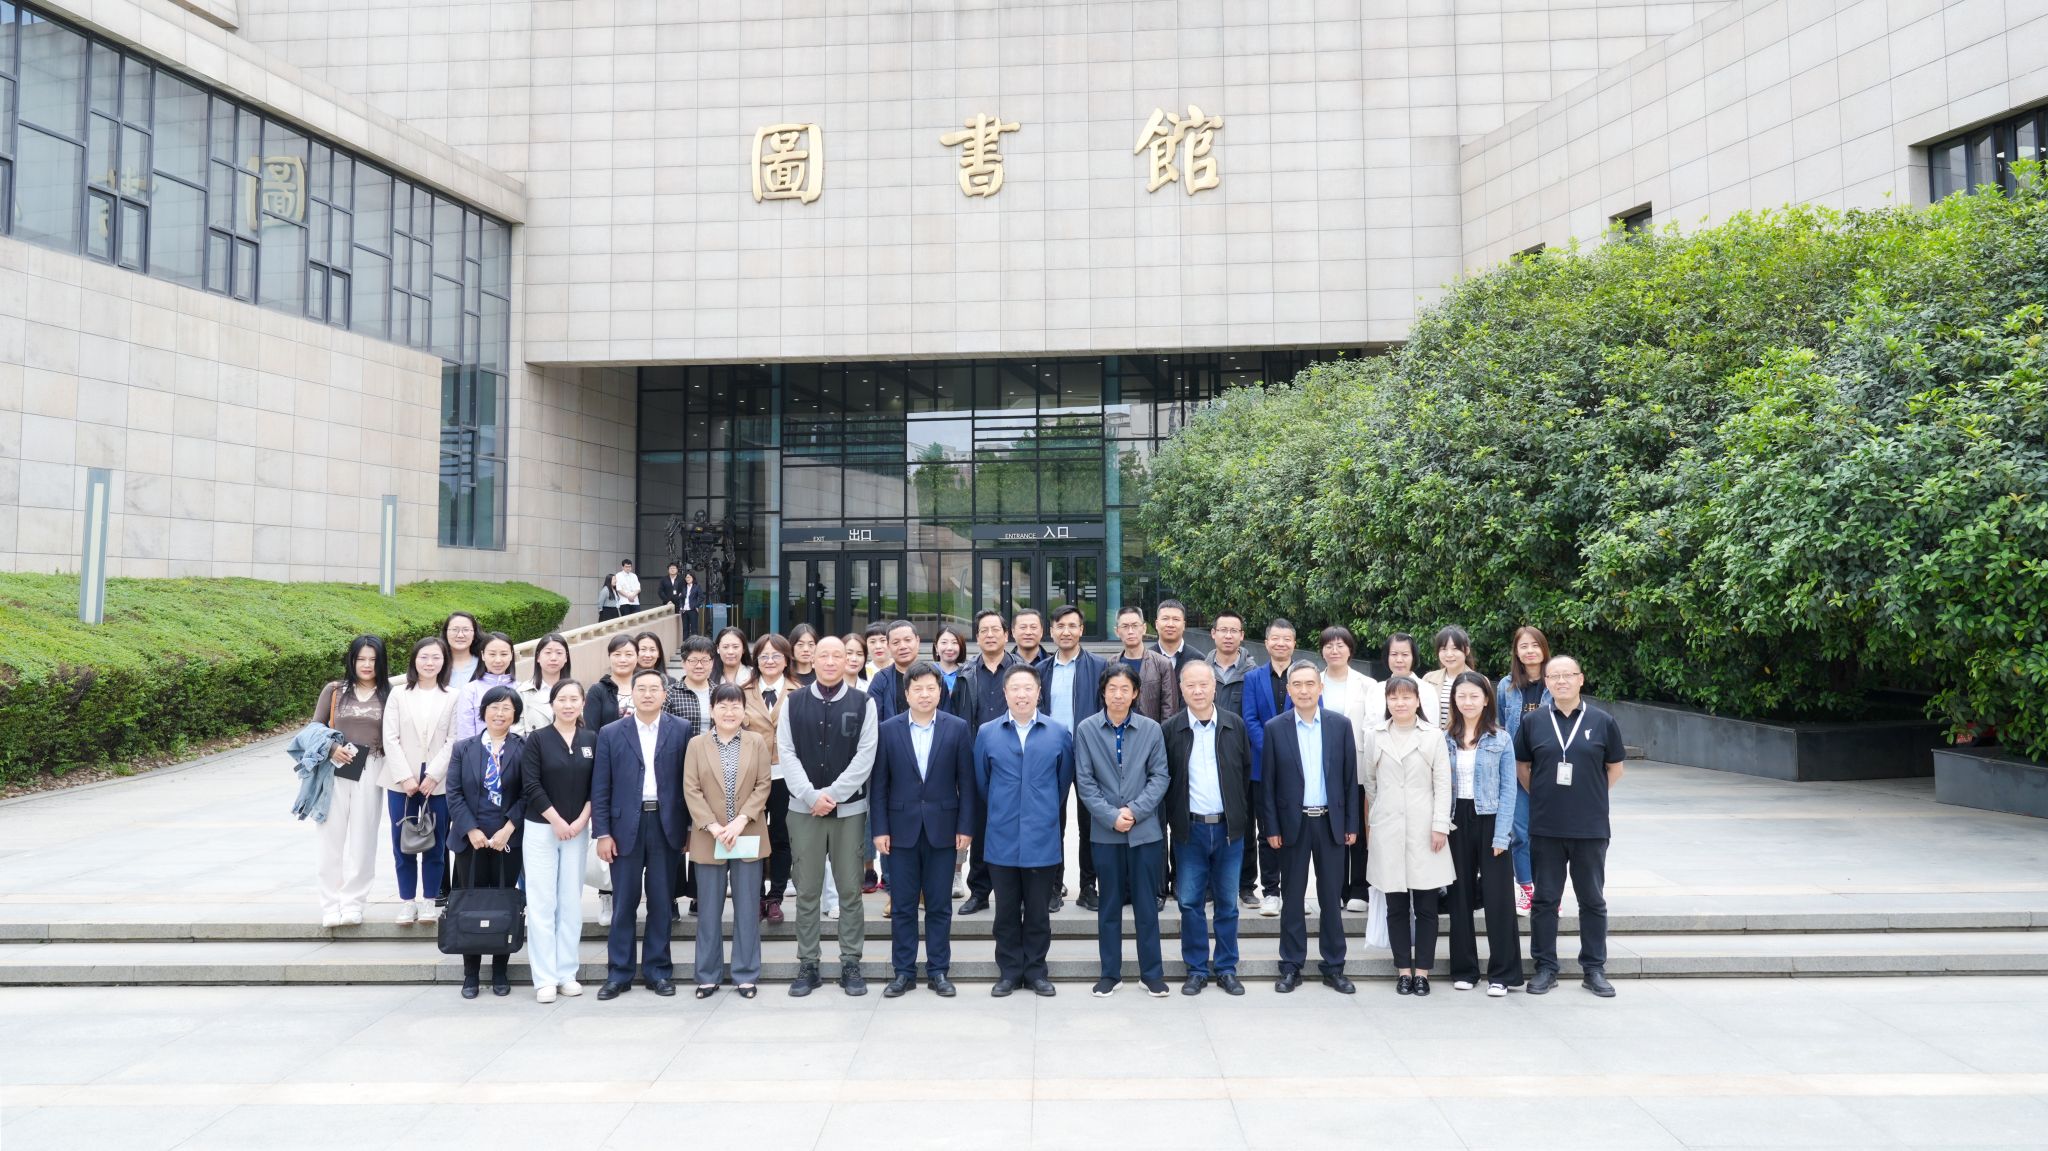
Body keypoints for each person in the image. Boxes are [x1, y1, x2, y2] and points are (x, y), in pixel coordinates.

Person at [1516, 654, 1626, 998]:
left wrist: (1588, 797)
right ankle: (1545, 967)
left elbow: (1615, 769)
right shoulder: (1533, 722)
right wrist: (1545, 797)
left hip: (1590, 828)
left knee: (1592, 899)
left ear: (1581, 679)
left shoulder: (1602, 721)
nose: (1561, 681)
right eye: (1554, 676)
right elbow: (1523, 767)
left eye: (1568, 675)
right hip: (1546, 826)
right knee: (1545, 900)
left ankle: (1593, 968)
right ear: (1546, 683)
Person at [779, 636, 880, 997]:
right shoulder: (793, 702)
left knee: (850, 889)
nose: (831, 661)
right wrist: (811, 795)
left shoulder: (863, 702)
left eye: (839, 655)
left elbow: (866, 756)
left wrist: (833, 795)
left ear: (849, 659)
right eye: (825, 655)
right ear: (812, 659)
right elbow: (786, 752)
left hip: (848, 812)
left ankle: (850, 961)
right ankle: (809, 963)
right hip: (803, 810)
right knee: (807, 890)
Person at [870, 662, 976, 998]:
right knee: (902, 905)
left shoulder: (956, 728)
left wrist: (965, 827)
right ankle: (903, 972)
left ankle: (938, 970)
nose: (925, 694)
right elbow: (879, 786)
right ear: (907, 693)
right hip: (900, 832)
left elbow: (967, 784)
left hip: (944, 830)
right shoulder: (888, 730)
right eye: (918, 689)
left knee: (939, 905)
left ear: (940, 691)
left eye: (931, 688)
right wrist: (879, 829)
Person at [1261, 661, 1360, 994]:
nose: (1304, 690)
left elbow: (1349, 779)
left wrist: (1351, 823)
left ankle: (1334, 966)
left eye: (1309, 684)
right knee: (1291, 898)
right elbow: (1268, 784)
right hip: (1294, 823)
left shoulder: (1339, 725)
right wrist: (1272, 827)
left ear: (1320, 688)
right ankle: (1291, 965)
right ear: (1289, 690)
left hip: (1331, 823)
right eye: (1297, 685)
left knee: (1331, 898)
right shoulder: (1275, 728)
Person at [592, 668, 691, 999]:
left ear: (664, 694)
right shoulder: (610, 732)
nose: (648, 694)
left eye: (654, 689)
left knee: (662, 902)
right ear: (632, 694)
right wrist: (602, 833)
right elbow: (601, 786)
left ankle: (658, 971)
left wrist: (688, 828)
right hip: (623, 829)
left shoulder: (681, 729)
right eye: (642, 689)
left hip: (666, 825)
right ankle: (619, 973)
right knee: (624, 903)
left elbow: (688, 782)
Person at [976, 663, 1073, 998]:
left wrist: (1039, 809)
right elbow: (982, 783)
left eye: (1027, 688)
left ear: (1038, 692)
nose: (1021, 694)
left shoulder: (1058, 733)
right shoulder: (987, 733)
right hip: (1001, 837)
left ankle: (1035, 971)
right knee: (1005, 911)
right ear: (1005, 693)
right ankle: (1008, 972)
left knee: (1037, 912)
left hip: (1041, 837)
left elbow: (1062, 784)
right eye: (1014, 688)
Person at [1076, 665, 1171, 998]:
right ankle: (1110, 974)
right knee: (1109, 905)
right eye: (1112, 689)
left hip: (1145, 832)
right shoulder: (1087, 729)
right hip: (1105, 833)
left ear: (1135, 693)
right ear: (1103, 692)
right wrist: (1111, 816)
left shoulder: (1151, 729)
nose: (1118, 695)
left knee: (1147, 905)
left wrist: (1134, 810)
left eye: (1125, 689)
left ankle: (1152, 973)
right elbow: (1085, 782)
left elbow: (1160, 776)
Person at [1163, 660, 1252, 996]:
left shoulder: (1233, 725)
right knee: (1189, 902)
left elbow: (1244, 775)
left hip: (1228, 830)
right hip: (1190, 831)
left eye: (1204, 684)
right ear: (1181, 689)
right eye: (1190, 685)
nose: (1198, 691)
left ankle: (1226, 968)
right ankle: (1197, 969)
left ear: (1215, 686)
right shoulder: (1170, 730)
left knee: (1228, 903)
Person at [1362, 675, 1454, 996]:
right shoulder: (1375, 736)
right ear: (1387, 702)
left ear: (1418, 701)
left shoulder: (1433, 736)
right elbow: (1370, 783)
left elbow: (1443, 784)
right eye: (1394, 697)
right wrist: (1379, 818)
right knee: (1396, 906)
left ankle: (1423, 972)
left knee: (1427, 907)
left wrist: (1440, 825)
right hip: (1388, 830)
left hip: (1426, 830)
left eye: (1406, 697)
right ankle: (1403, 970)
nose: (1400, 703)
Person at [685, 682, 773, 999]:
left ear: (744, 710)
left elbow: (763, 785)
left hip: (746, 834)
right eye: (722, 705)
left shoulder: (756, 742)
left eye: (735, 705)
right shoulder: (696, 744)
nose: (729, 711)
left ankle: (745, 975)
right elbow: (691, 788)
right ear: (712, 710)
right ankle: (707, 976)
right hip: (709, 837)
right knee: (708, 911)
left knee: (747, 910)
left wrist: (739, 822)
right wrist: (713, 826)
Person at [1444, 671, 1525, 996]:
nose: (1468, 702)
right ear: (1454, 700)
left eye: (1474, 696)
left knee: (1498, 898)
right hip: (1455, 820)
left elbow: (1509, 790)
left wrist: (1502, 835)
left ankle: (1502, 974)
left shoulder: (1500, 738)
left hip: (1491, 819)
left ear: (1486, 699)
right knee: (1459, 896)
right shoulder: (1444, 738)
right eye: (1461, 696)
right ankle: (1465, 969)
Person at [446, 684, 527, 998]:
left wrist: (508, 828)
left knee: (503, 903)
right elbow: (454, 793)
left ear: (515, 714)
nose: (500, 713)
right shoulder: (463, 748)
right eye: (494, 707)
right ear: (483, 711)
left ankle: (500, 970)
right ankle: (470, 974)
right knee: (470, 903)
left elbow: (527, 792)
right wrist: (471, 830)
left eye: (507, 708)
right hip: (472, 842)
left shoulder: (523, 748)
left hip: (507, 840)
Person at [520, 678, 596, 1003]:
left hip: (577, 830)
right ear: (552, 704)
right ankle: (545, 978)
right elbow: (531, 785)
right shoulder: (536, 739)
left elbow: (597, 786)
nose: (568, 705)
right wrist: (557, 820)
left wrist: (579, 821)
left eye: (573, 699)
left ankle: (567, 972)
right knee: (541, 902)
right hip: (541, 828)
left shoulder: (591, 739)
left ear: (582, 704)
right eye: (561, 699)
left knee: (570, 902)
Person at [312, 636, 389, 928]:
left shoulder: (389, 695)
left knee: (363, 839)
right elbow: (315, 728)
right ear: (351, 660)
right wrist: (332, 748)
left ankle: (353, 903)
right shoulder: (335, 690)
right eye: (361, 659)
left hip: (372, 767)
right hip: (335, 768)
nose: (367, 665)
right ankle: (330, 905)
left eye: (373, 659)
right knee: (329, 840)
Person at [382, 637, 456, 925]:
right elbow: (390, 737)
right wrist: (405, 777)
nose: (429, 663)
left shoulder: (453, 696)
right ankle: (407, 902)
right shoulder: (399, 694)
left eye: (436, 657)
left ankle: (429, 901)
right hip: (401, 783)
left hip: (438, 783)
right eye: (424, 657)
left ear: (444, 662)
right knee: (402, 843)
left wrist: (433, 775)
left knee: (435, 844)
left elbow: (454, 739)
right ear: (414, 660)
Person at [949, 610, 1018, 915]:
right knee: (979, 827)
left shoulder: (1022, 671)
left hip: (1013, 761)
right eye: (984, 631)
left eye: (995, 629)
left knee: (1013, 827)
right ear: (977, 637)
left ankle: (1013, 893)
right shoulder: (965, 675)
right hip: (975, 760)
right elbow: (954, 718)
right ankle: (979, 892)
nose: (990, 635)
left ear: (1006, 634)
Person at [1039, 604, 1107, 912]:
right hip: (1051, 755)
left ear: (1081, 630)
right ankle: (1054, 886)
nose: (1066, 631)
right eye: (1060, 626)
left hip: (1089, 754)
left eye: (1072, 626)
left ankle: (1088, 886)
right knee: (1052, 821)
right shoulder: (1041, 670)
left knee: (1090, 823)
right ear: (1051, 631)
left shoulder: (1099, 666)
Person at [1240, 618, 1298, 918]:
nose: (1280, 643)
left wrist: (1288, 753)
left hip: (1298, 768)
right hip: (1261, 768)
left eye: (1286, 639)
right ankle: (1271, 892)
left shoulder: (1305, 676)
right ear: (1266, 643)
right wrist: (1273, 749)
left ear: (1294, 643)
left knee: (1296, 832)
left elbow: (1313, 714)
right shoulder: (1253, 678)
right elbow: (1249, 719)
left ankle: (1294, 892)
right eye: (1275, 638)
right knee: (1266, 832)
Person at [1317, 626, 1375, 914]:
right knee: (1332, 828)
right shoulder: (1313, 681)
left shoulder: (1367, 685)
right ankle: (1337, 887)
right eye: (1329, 645)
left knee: (1359, 828)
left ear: (1350, 650)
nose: (1335, 650)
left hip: (1359, 765)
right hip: (1322, 767)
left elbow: (1373, 726)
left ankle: (1360, 888)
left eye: (1341, 645)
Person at [584, 633, 640, 928]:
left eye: (628, 653)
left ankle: (627, 896)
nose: (623, 659)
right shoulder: (598, 691)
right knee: (609, 836)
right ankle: (606, 893)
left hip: (642, 772)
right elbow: (591, 731)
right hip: (610, 770)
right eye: (617, 654)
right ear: (610, 657)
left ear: (637, 657)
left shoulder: (647, 684)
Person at [1497, 626, 1552, 915]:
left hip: (1550, 771)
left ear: (1544, 649)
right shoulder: (1506, 686)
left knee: (1550, 835)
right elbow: (1499, 726)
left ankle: (1549, 892)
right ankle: (1527, 889)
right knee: (1520, 833)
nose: (1530, 651)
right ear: (1516, 652)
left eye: (1535, 645)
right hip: (1515, 769)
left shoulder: (1556, 682)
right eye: (1523, 646)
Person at [745, 634, 795, 923]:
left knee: (781, 836)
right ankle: (755, 896)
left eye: (776, 655)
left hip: (786, 776)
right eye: (764, 656)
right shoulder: (742, 692)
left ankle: (775, 896)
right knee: (752, 835)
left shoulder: (800, 692)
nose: (770, 661)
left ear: (786, 660)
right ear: (756, 661)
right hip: (750, 777)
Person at [1113, 605, 1181, 723]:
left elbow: (1169, 710)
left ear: (1144, 628)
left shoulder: (1162, 664)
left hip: (1151, 731)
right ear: (1117, 631)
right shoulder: (1111, 664)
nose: (1130, 631)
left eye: (1135, 626)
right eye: (1125, 626)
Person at [452, 632, 518, 744]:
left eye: (503, 654)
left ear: (511, 655)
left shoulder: (520, 688)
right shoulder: (470, 690)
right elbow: (465, 733)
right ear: (483, 655)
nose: (498, 660)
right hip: (479, 752)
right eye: (492, 654)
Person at [866, 619, 924, 722]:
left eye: (907, 640)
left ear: (917, 641)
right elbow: (873, 721)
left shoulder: (934, 676)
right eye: (896, 642)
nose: (902, 646)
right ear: (888, 646)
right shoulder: (880, 680)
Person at [517, 634, 574, 737]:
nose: (553, 658)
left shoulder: (575, 691)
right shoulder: (523, 692)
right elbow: (517, 734)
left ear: (566, 658)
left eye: (559, 653)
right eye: (548, 652)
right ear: (538, 657)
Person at [1421, 626, 1476, 732]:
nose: (1449, 654)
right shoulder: (1428, 679)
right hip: (1431, 739)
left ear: (1467, 650)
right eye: (1443, 649)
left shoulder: (1479, 681)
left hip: (1462, 739)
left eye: (1455, 648)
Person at [1384, 632, 1439, 727]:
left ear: (1414, 657)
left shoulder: (1426, 690)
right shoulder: (1375, 690)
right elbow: (1369, 728)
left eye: (1405, 654)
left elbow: (1432, 727)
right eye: (1394, 654)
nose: (1399, 660)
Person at [1152, 600, 1196, 674]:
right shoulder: (1145, 659)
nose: (1170, 624)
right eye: (1165, 618)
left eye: (1176, 619)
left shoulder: (1197, 659)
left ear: (1184, 625)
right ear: (1156, 624)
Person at [442, 611, 482, 689]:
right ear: (446, 633)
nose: (460, 635)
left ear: (474, 634)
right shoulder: (436, 664)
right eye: (455, 629)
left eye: (466, 630)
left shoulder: (484, 664)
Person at [932, 625, 967, 692]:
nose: (949, 648)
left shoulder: (967, 675)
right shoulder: (928, 672)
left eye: (954, 642)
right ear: (936, 647)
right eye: (944, 642)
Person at [789, 623, 820, 687]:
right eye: (800, 644)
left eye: (811, 644)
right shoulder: (785, 677)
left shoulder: (822, 677)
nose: (806, 649)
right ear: (792, 647)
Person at [675, 569, 702, 639]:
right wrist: (681, 607)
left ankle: (695, 643)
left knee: (694, 629)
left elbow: (701, 597)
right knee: (685, 628)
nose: (688, 579)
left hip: (693, 610)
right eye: (686, 577)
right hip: (684, 610)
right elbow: (680, 598)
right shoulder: (683, 587)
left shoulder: (697, 586)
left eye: (689, 577)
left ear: (693, 578)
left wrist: (696, 605)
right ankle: (685, 643)